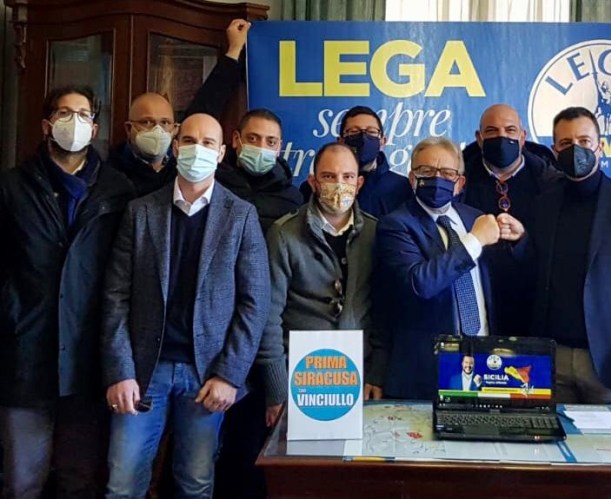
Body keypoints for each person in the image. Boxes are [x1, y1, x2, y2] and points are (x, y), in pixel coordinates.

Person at [102, 113, 270, 497]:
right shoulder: (140, 211)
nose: (198, 149)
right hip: (143, 372)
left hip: (207, 374)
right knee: (122, 485)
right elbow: (115, 297)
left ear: (222, 153)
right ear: (176, 147)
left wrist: (229, 375)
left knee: (195, 485)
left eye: (208, 143)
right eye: (190, 140)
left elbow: (254, 303)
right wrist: (119, 371)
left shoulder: (241, 216)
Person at [220, 143, 385, 499]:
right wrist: (278, 389)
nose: (338, 185)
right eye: (328, 176)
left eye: (347, 177)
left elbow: (384, 314)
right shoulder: (284, 234)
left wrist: (376, 373)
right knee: (301, 482)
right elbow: (267, 318)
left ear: (359, 184)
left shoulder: (376, 233)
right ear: (312, 181)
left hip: (358, 379)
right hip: (301, 380)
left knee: (353, 483)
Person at [0, 86, 135, 499]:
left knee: (79, 481)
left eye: (83, 115)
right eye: (64, 113)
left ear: (94, 128)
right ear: (47, 125)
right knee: (22, 481)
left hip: (87, 361)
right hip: (26, 357)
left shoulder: (118, 191)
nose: (73, 122)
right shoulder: (12, 188)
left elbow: (124, 277)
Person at [522, 106, 611, 408]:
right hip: (550, 360)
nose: (576, 149)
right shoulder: (543, 204)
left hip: (609, 362)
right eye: (566, 143)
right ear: (554, 151)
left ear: (601, 146)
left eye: (584, 141)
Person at [376, 137, 507, 400]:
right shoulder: (396, 224)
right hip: (426, 368)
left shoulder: (475, 218)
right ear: (412, 178)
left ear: (459, 183)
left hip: (483, 358)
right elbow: (420, 283)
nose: (437, 179)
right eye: (426, 171)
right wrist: (474, 240)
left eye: (447, 173)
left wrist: (519, 240)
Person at [109, 19, 252, 198]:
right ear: (129, 128)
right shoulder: (111, 176)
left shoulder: (187, 162)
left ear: (175, 129)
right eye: (146, 122)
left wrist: (235, 50)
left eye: (165, 122)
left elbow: (209, 101)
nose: (157, 129)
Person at [459, 103, 561, 336]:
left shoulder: (550, 182)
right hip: (478, 304)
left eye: (510, 130)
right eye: (492, 131)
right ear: (479, 138)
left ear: (523, 137)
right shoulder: (460, 181)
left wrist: (524, 240)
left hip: (536, 305)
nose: (502, 137)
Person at [301, 106, 413, 219]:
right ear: (340, 141)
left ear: (383, 141)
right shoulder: (315, 187)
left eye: (371, 132)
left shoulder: (402, 187)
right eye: (354, 132)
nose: (363, 138)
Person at [215, 108, 303, 232]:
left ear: (279, 147)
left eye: (271, 142)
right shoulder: (213, 186)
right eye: (252, 139)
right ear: (236, 139)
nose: (261, 147)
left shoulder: (292, 199)